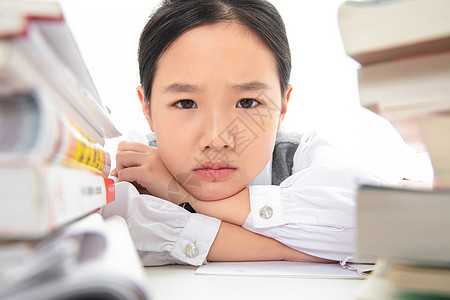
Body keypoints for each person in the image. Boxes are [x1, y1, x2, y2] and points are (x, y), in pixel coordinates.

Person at [105, 0, 385, 266]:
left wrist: (183, 195)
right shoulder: (135, 165)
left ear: (282, 105)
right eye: (186, 103)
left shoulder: (301, 155)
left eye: (247, 102)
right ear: (147, 108)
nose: (217, 139)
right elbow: (124, 230)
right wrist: (292, 250)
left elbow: (384, 225)